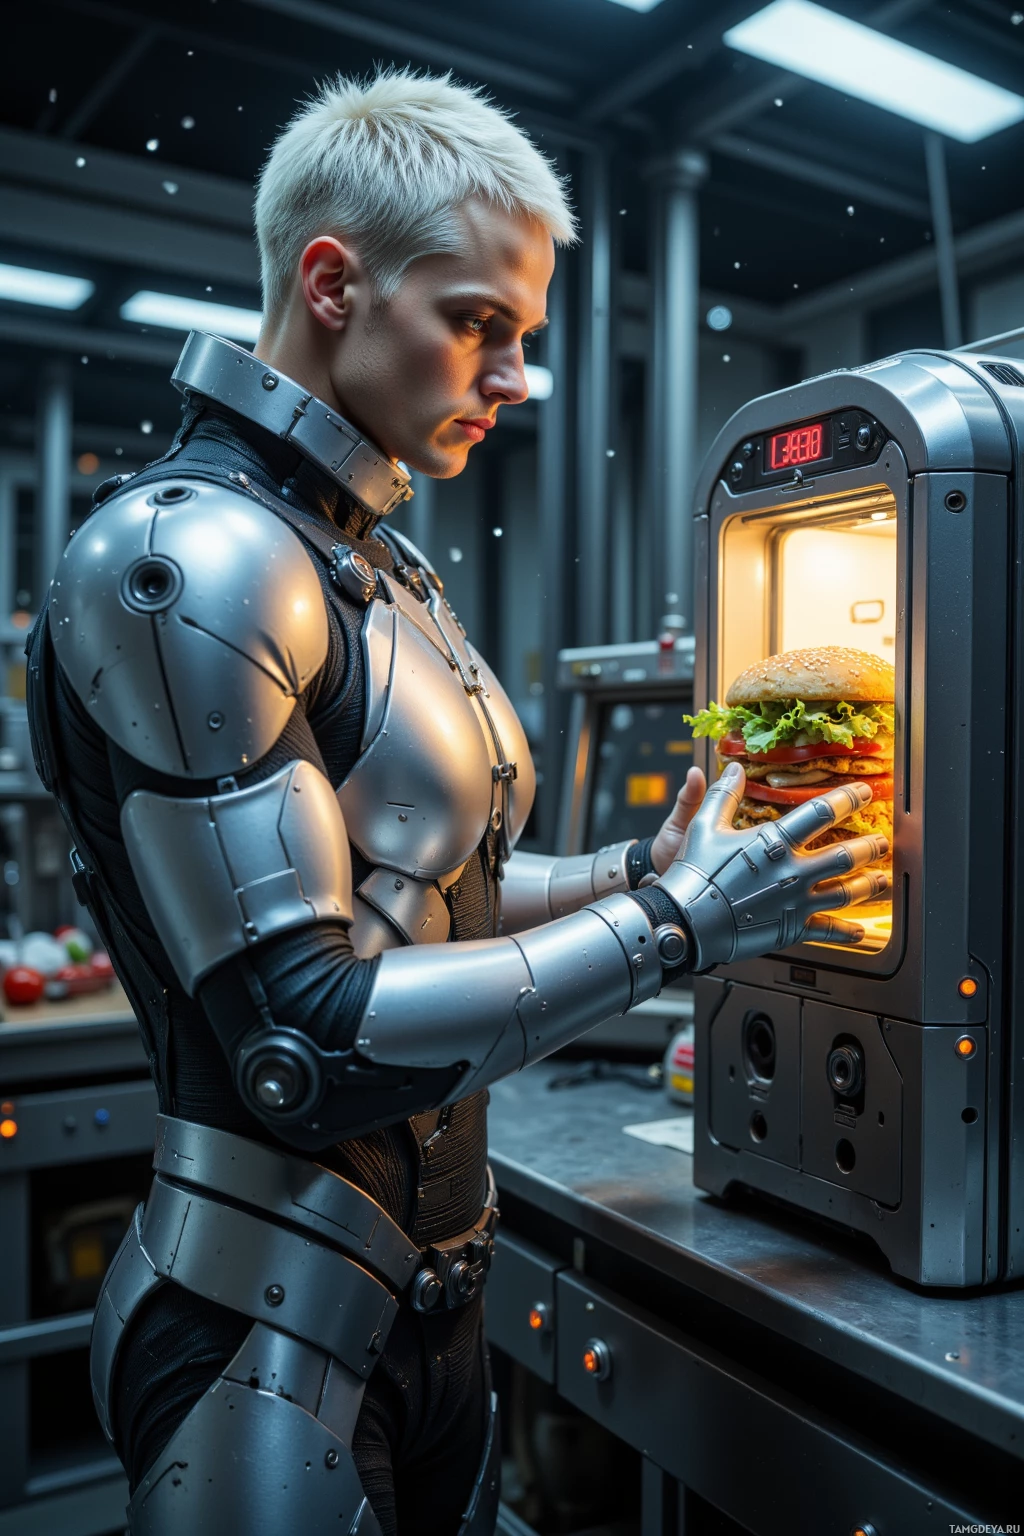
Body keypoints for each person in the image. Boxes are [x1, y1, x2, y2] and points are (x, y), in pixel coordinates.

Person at [26, 69, 889, 1536]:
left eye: (524, 336)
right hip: (262, 1326)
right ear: (332, 283)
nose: (513, 377)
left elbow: (436, 884)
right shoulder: (193, 562)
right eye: (477, 322)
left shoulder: (371, 563)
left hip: (429, 1308)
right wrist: (675, 925)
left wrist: (635, 864)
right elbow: (306, 1035)